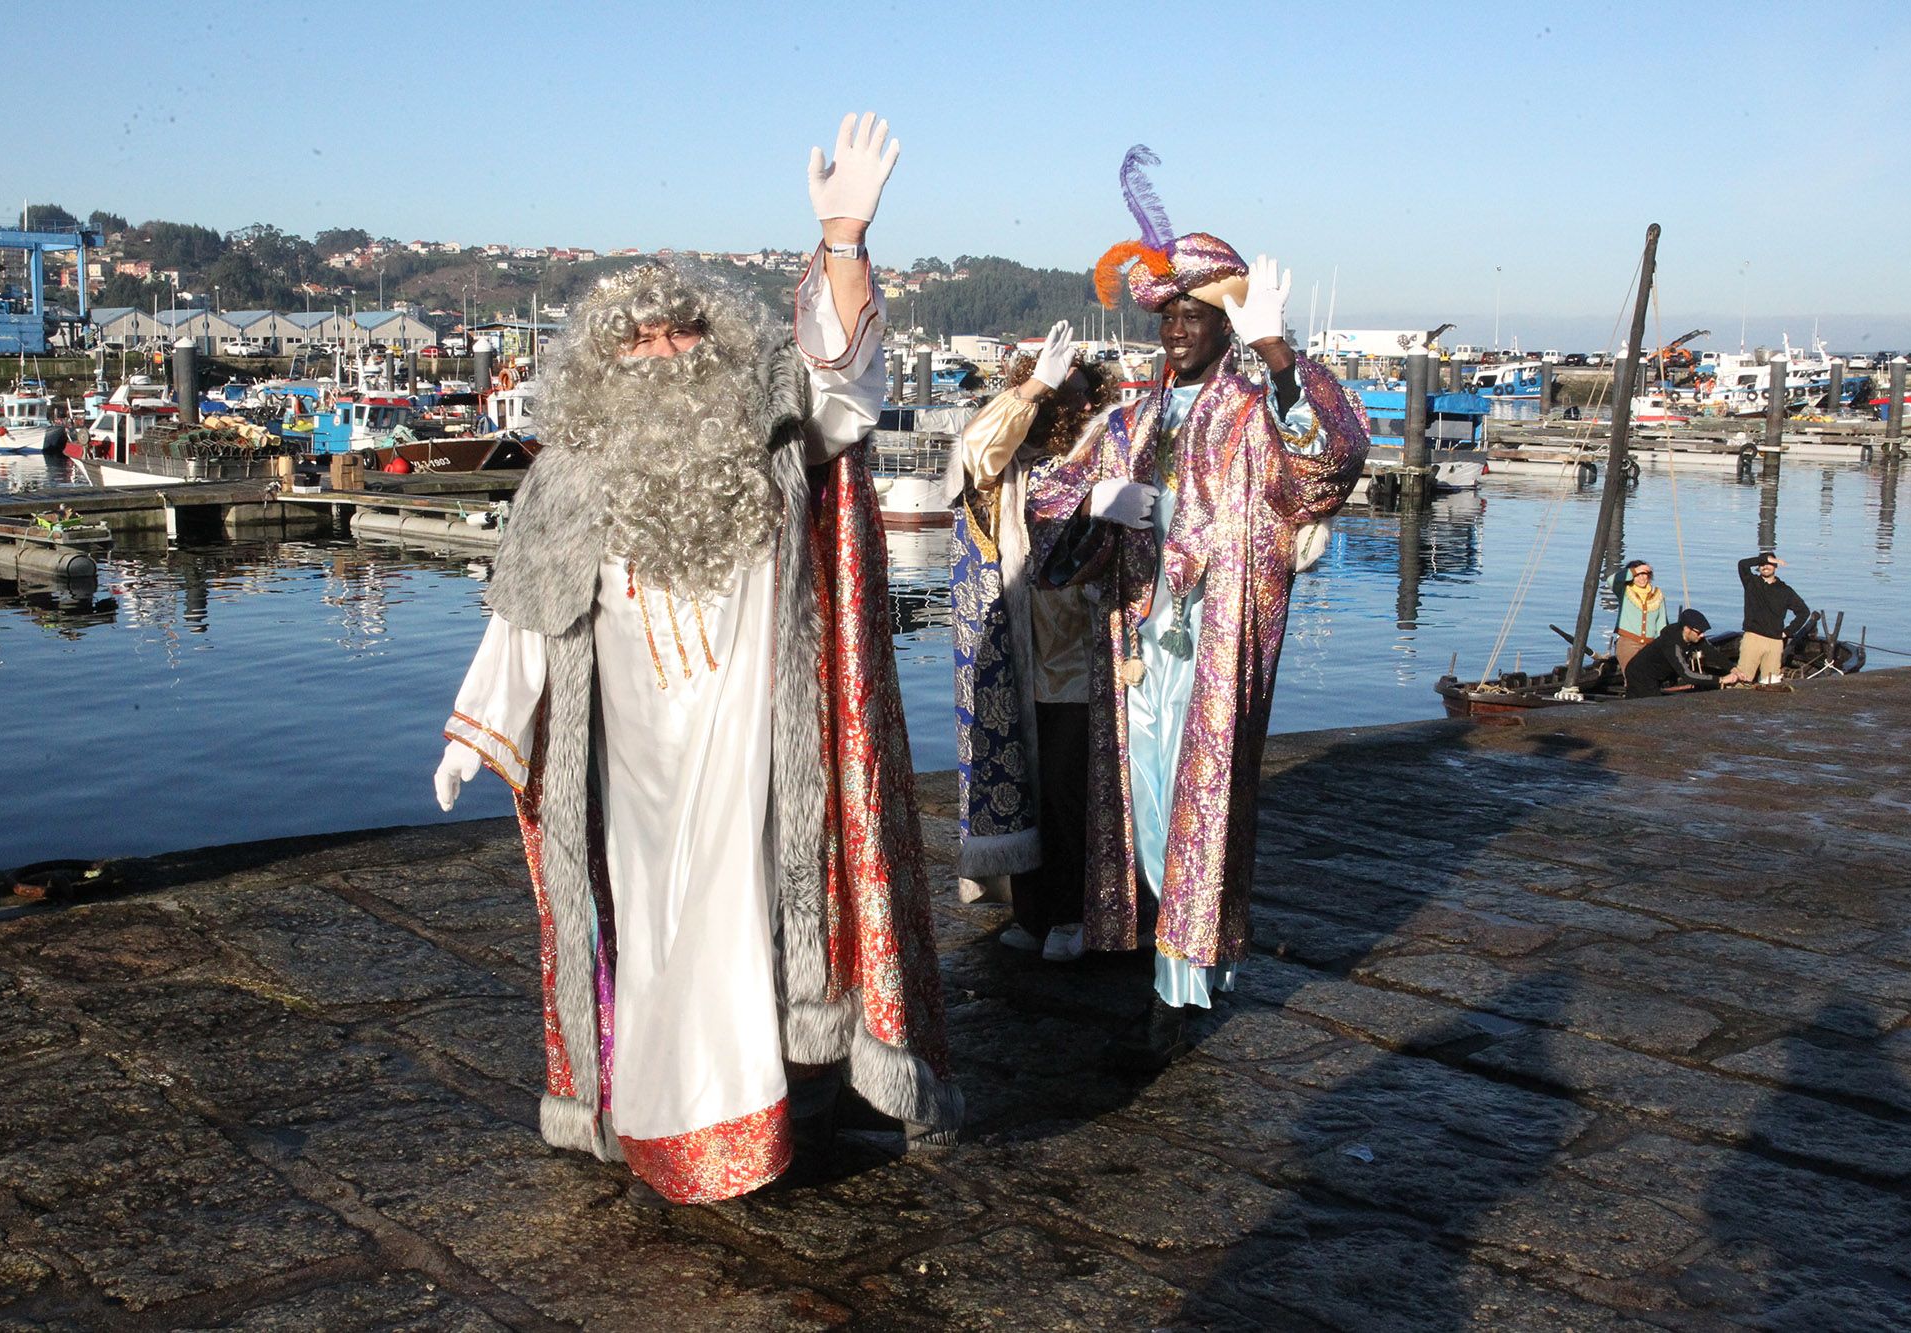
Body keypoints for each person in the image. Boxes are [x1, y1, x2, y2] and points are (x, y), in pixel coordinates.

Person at [432, 113, 959, 1206]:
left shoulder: (774, 432)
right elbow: (526, 612)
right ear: (603, 365)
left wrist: (846, 239)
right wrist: (475, 728)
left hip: (763, 738)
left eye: (683, 337)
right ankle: (667, 1128)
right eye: (640, 342)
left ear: (715, 346)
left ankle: (794, 1117)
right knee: (658, 939)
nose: (665, 357)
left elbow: (845, 386)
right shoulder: (569, 474)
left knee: (779, 919)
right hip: (636, 763)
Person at [1027, 147, 1370, 1071]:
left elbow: (1328, 465)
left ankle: (1179, 982)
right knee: (1141, 801)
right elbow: (1055, 502)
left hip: (1214, 635)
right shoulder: (1132, 416)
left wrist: (1278, 351)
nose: (1176, 330)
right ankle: (1162, 941)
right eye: (1167, 315)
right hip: (1135, 636)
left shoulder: (1256, 407)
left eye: (1194, 315)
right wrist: (1097, 508)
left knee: (1201, 800)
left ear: (1224, 324)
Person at [951, 321, 1120, 962]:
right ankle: (1034, 909)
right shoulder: (1013, 468)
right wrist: (1030, 390)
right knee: (1023, 782)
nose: (1072, 405)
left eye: (1080, 392)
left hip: (1088, 652)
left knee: (1074, 789)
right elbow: (976, 452)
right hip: (1021, 652)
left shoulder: (1111, 454)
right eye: (1059, 394)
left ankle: (1080, 911)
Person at [1720, 551, 1809, 685]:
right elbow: (1742, 564)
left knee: (1771, 682)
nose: (1765, 566)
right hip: (1753, 638)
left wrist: (1787, 632)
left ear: (1775, 567)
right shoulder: (1751, 582)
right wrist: (1765, 558)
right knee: (1743, 679)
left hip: (1774, 642)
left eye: (1769, 564)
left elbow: (1803, 612)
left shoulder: (1785, 590)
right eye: (1762, 564)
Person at [1623, 608, 1715, 698]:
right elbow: (1687, 675)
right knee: (1652, 705)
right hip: (1641, 674)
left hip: (1655, 674)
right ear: (1687, 629)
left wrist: (1730, 669)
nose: (1702, 635)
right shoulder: (1672, 644)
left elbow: (1713, 653)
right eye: (1699, 632)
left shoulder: (1692, 637)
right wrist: (1720, 680)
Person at [1610, 558, 1667, 671]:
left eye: (1644, 574)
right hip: (1628, 643)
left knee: (1649, 677)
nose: (1641, 578)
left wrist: (1662, 644)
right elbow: (1612, 580)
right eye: (1637, 575)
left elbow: (1661, 623)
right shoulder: (1624, 590)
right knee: (1633, 676)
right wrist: (1635, 570)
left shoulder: (1657, 594)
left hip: (1650, 645)